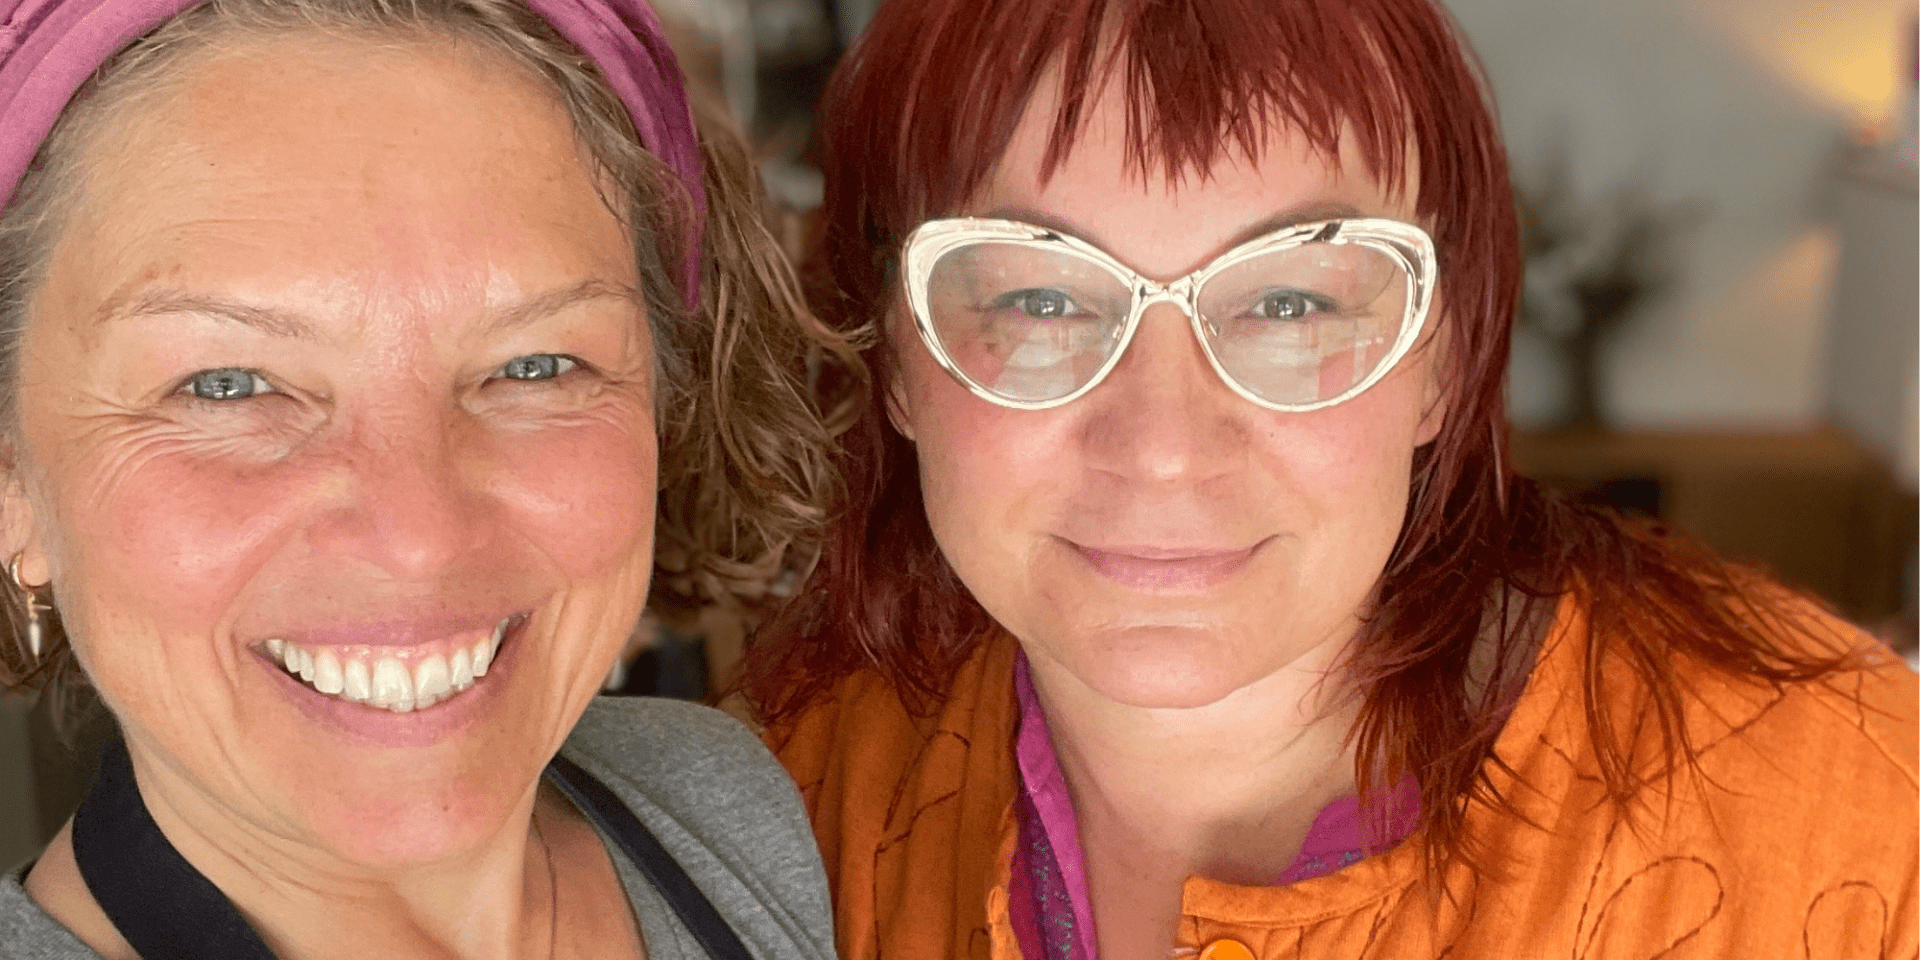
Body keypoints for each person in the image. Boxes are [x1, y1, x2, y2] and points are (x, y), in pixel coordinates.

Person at [742, 0, 1920, 958]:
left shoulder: (1865, 822)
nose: (1163, 445)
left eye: (1290, 302)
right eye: (1040, 297)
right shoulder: (776, 806)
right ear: (891, 352)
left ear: (1442, 361)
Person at [0, 0, 848, 957]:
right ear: (12, 481)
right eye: (226, 384)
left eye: (533, 366)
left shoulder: (724, 803)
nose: (419, 538)